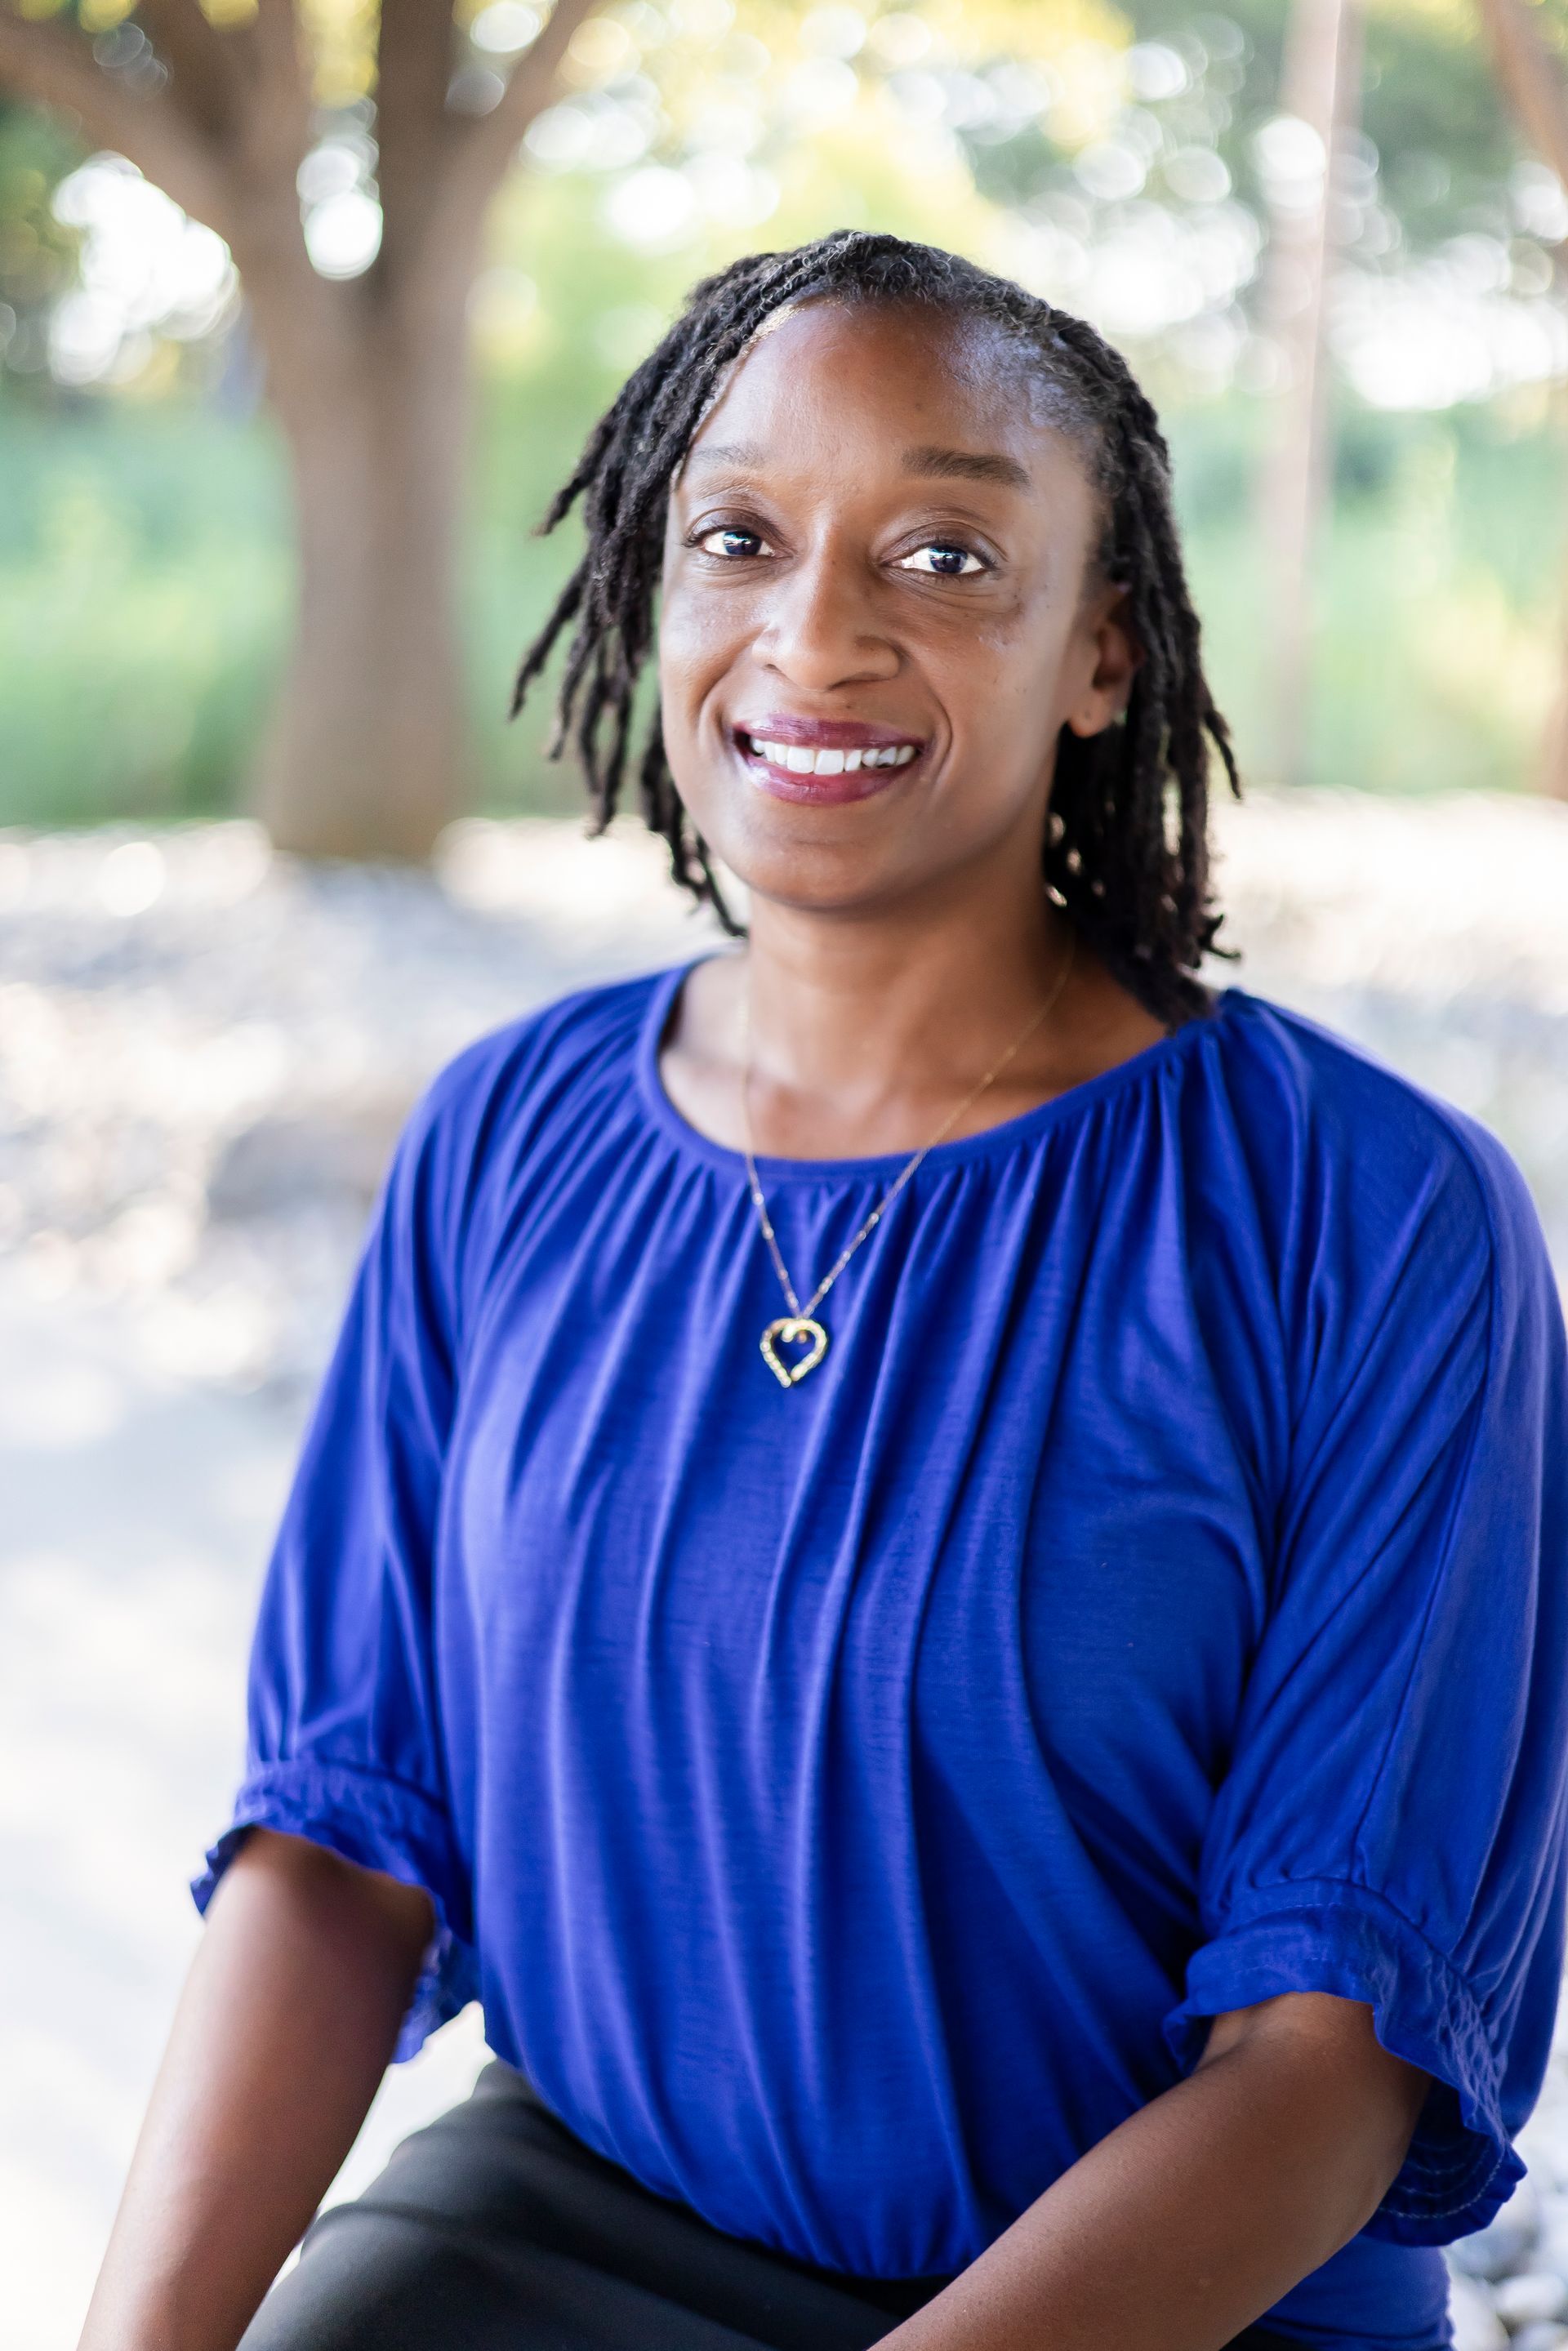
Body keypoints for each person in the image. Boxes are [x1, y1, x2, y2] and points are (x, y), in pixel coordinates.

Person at [78, 231, 1568, 2351]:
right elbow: (336, 1845)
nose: (817, 631)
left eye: (947, 555)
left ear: (1105, 653)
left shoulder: (1375, 1221)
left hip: (1176, 2301)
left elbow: (1331, 2070)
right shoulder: (509, 1140)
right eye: (740, 536)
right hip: (571, 2227)